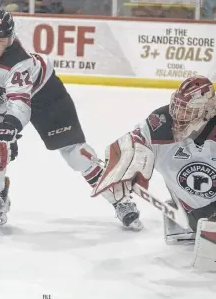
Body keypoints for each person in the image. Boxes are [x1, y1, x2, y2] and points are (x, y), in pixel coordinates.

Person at [0, 9, 143, 229]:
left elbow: (20, 106)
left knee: (75, 154)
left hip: (45, 97)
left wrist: (7, 131)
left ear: (10, 39)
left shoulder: (19, 62)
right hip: (2, 99)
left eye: (1, 41)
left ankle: (118, 197)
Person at [91, 75, 216, 271]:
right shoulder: (160, 124)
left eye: (188, 111)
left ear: (208, 110)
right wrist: (121, 159)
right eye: (178, 109)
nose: (179, 117)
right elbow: (132, 141)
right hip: (194, 215)